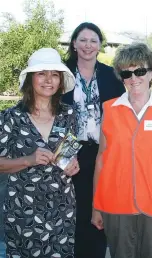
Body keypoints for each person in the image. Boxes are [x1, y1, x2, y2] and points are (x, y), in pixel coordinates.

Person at [91, 43, 152, 258]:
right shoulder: (109, 109)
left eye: (140, 71)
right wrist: (96, 206)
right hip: (115, 205)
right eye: (127, 73)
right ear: (121, 77)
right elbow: (101, 161)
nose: (134, 79)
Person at [0, 48, 79, 257]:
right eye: (41, 74)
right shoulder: (11, 117)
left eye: (54, 74)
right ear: (30, 79)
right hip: (22, 208)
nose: (48, 80)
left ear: (61, 80)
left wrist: (73, 166)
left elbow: (70, 154)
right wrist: (28, 160)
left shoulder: (69, 114)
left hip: (62, 207)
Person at [62, 22, 126, 258]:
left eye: (93, 41)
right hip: (69, 150)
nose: (88, 45)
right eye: (83, 40)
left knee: (99, 207)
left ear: (100, 45)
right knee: (73, 208)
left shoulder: (111, 76)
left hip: (103, 151)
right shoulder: (61, 72)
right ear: (74, 44)